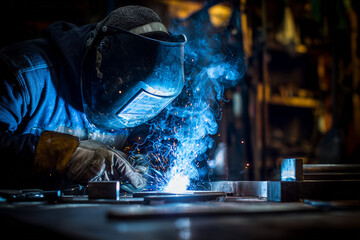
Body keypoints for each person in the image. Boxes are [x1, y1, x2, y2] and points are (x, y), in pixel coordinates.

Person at [0, 5, 187, 191]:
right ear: (101, 58)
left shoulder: (148, 94)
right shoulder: (25, 75)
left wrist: (135, 161)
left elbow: (139, 147)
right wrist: (65, 155)